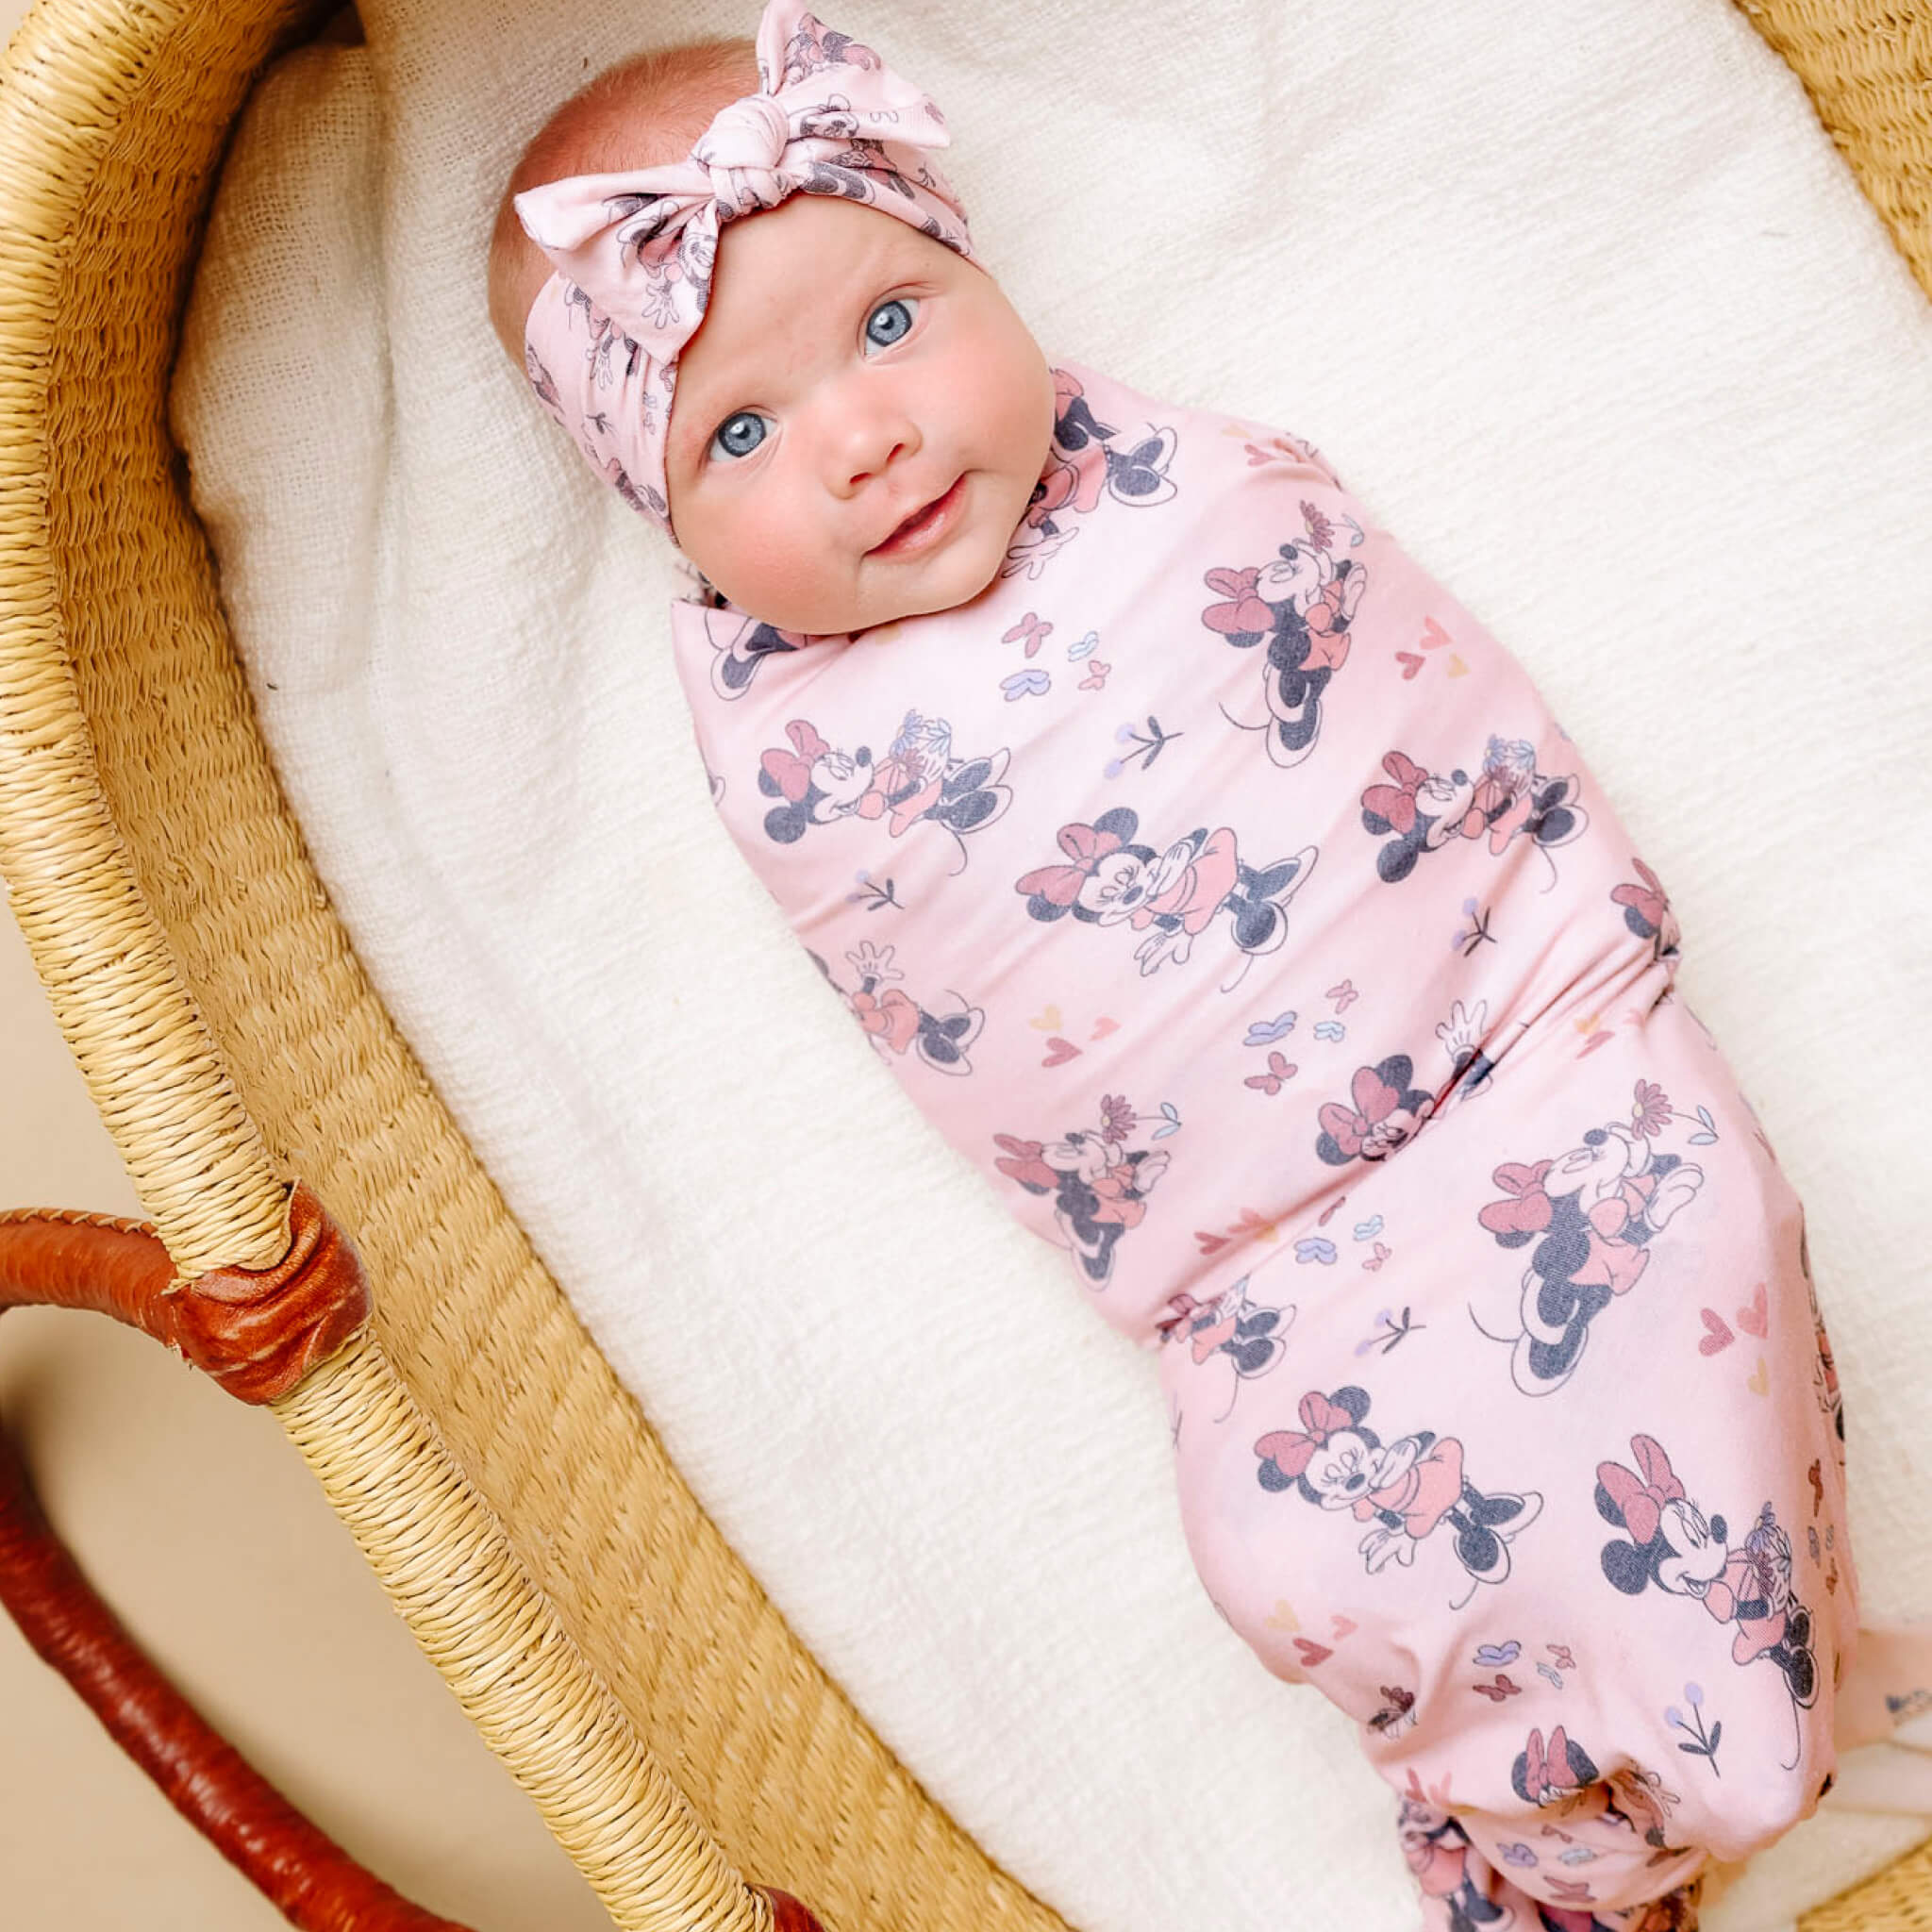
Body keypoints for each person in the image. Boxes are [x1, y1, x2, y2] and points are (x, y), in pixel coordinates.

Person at [488, 6, 1932, 1924]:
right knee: (1290, 1553)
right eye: (737, 433)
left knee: (1692, 1237)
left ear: (980, 269)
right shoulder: (786, 757)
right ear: (662, 518)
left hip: (1523, 1050)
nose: (863, 437)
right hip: (1247, 1281)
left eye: (893, 321)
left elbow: (1407, 707)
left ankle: (1757, 1696)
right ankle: (1556, 1831)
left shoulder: (1193, 496)